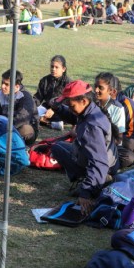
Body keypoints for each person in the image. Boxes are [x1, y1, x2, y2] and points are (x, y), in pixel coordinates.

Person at [50, 80, 119, 215]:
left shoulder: (91, 127)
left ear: (83, 100)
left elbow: (99, 162)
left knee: (58, 147)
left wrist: (85, 193)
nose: (70, 108)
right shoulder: (92, 109)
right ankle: (97, 179)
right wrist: (58, 108)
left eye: (71, 105)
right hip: (110, 161)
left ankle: (94, 182)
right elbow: (75, 116)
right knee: (58, 147)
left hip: (104, 165)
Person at [94, 73, 134, 168]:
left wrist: (103, 145)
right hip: (91, 142)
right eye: (95, 86)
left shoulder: (117, 108)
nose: (96, 90)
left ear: (111, 90)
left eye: (100, 88)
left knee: (129, 157)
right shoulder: (91, 104)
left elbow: (118, 138)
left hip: (109, 145)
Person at [0, 69, 39, 146]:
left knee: (25, 129)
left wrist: (4, 128)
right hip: (3, 127)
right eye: (2, 83)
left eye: (6, 84)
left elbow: (22, 119)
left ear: (17, 87)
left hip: (20, 127)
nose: (3, 86)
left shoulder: (25, 97)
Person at [35, 55, 71, 130]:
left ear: (63, 69)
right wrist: (31, 106)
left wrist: (54, 109)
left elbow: (67, 102)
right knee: (33, 112)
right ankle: (44, 120)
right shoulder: (44, 80)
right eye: (52, 66)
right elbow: (38, 97)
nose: (53, 69)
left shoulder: (68, 83)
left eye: (56, 67)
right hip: (46, 107)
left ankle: (44, 121)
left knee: (59, 122)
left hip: (61, 110)